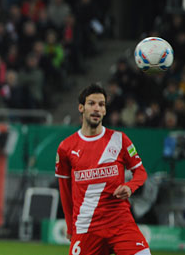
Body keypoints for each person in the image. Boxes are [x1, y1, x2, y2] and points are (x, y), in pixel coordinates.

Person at [55, 84, 151, 255]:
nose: (97, 108)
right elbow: (65, 190)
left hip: (120, 223)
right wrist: (70, 227)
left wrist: (130, 186)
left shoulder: (119, 139)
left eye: (101, 104)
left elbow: (141, 172)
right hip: (86, 227)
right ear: (81, 108)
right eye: (91, 103)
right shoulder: (66, 147)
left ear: (105, 110)